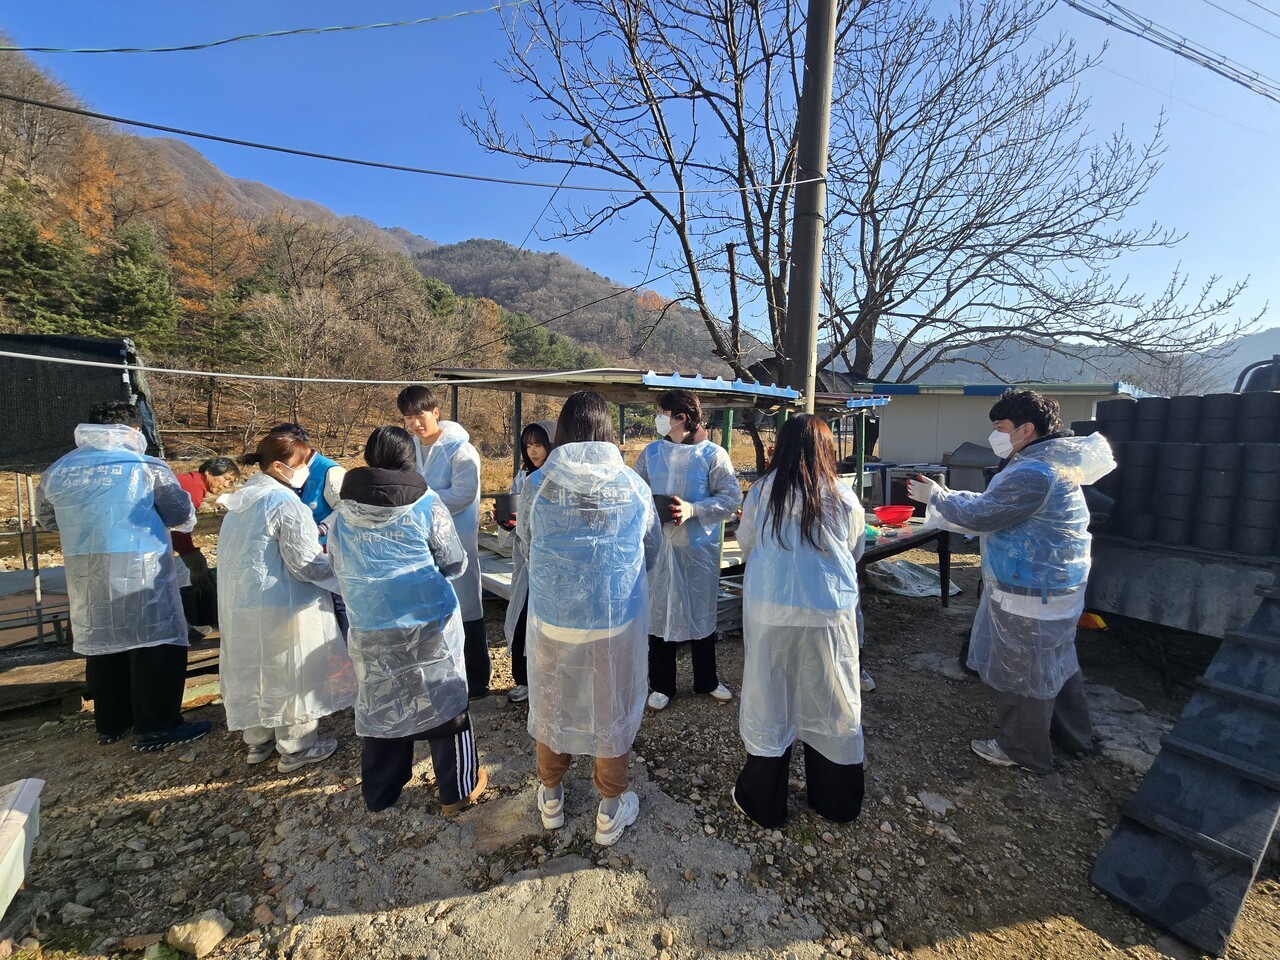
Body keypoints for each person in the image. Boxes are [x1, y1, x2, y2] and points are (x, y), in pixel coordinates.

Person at [907, 388, 1115, 774]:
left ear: (1026, 429)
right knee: (1057, 662)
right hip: (1051, 586)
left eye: (1000, 427)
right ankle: (1074, 736)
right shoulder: (1044, 464)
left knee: (1025, 671)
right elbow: (995, 502)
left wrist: (936, 498)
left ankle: (1024, 750)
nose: (995, 435)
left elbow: (985, 514)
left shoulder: (1034, 472)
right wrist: (949, 496)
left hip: (1031, 589)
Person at [519, 391, 661, 846]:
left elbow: (526, 541)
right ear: (607, 431)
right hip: (612, 620)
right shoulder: (632, 485)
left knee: (553, 701)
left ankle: (552, 798)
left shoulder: (538, 484)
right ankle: (609, 810)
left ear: (561, 432)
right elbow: (650, 550)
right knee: (609, 705)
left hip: (554, 619)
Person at [35, 401, 212, 751]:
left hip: (85, 567)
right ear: (134, 431)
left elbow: (48, 520)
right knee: (156, 642)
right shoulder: (145, 466)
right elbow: (179, 514)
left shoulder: (58, 470)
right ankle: (157, 725)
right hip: (139, 563)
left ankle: (113, 723)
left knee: (103, 642)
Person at [328, 426, 488, 815]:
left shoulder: (343, 512)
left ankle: (381, 793)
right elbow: (452, 559)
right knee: (444, 698)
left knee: (382, 700)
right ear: (409, 460)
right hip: (428, 622)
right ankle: (457, 790)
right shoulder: (427, 503)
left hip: (370, 623)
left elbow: (336, 563)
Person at [732, 414, 867, 828]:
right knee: (833, 699)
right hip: (829, 612)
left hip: (771, 611)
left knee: (769, 696)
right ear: (826, 450)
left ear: (782, 448)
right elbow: (855, 549)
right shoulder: (843, 495)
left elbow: (746, 543)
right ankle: (836, 801)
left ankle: (764, 802)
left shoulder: (761, 492)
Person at [217, 431, 356, 773]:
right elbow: (306, 562)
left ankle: (258, 739)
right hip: (284, 602)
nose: (307, 468)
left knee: (256, 670)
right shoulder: (283, 502)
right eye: (302, 462)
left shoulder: (243, 498)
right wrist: (349, 582)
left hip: (244, 603)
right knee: (293, 673)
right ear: (279, 466)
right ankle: (296, 747)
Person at [634, 390, 741, 711]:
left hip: (697, 550)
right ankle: (662, 684)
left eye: (661, 413)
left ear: (680, 417)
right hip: (659, 547)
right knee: (659, 613)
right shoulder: (651, 454)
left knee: (701, 612)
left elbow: (730, 497)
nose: (657, 418)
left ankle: (706, 679)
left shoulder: (713, 455)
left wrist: (693, 510)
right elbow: (634, 491)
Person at [396, 386, 489, 698]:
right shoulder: (408, 448)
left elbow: (463, 495)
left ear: (436, 412)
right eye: (408, 419)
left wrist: (418, 499)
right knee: (429, 613)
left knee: (466, 610)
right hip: (419, 544)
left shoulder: (460, 451)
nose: (414, 424)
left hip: (457, 541)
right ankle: (436, 681)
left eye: (419, 416)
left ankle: (476, 681)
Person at [267, 423, 349, 635]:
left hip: (327, 550)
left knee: (337, 602)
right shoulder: (284, 469)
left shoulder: (329, 470)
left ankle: (345, 651)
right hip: (297, 551)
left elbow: (347, 508)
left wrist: (322, 528)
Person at [502, 420, 556, 704]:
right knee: (522, 620)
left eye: (539, 445)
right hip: (526, 562)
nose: (534, 452)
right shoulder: (523, 476)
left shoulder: (558, 477)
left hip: (552, 563)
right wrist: (507, 523)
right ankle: (523, 679)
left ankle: (547, 680)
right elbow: (515, 513)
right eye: (528, 446)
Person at [172, 457, 240, 633]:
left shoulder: (187, 481)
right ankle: (180, 627)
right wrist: (194, 560)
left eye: (230, 482)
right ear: (209, 472)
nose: (226, 485)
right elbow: (178, 529)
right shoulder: (191, 488)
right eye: (226, 478)